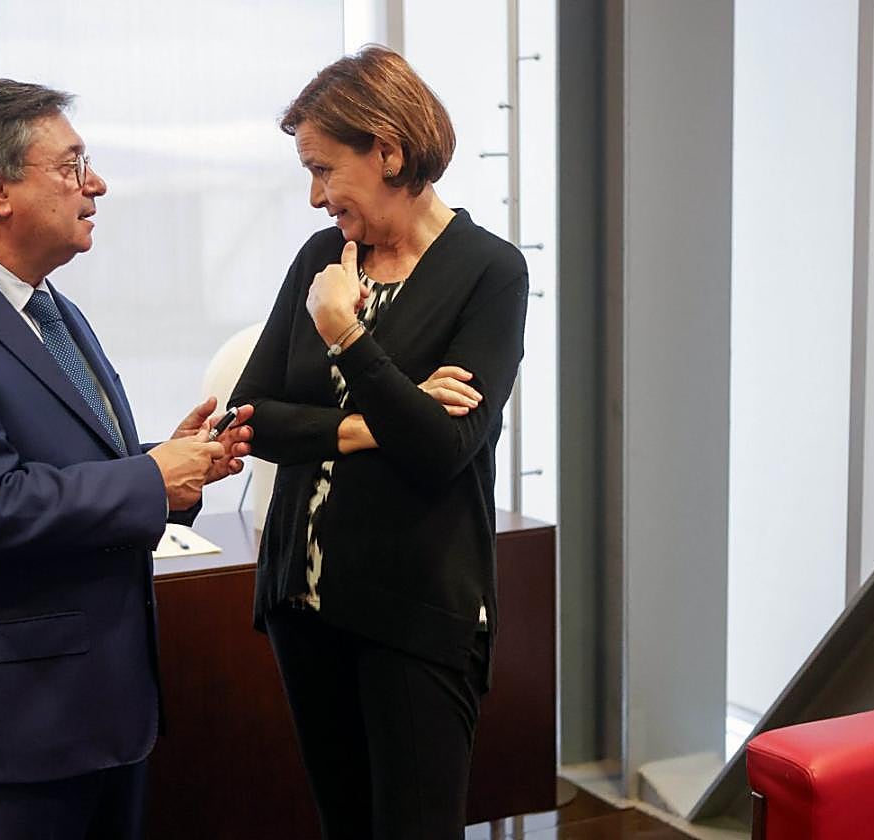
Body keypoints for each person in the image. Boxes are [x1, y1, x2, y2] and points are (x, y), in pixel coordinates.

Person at [0, 78, 251, 840]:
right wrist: (147, 477)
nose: (95, 185)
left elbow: (67, 466)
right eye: (70, 167)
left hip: (107, 712)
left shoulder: (52, 307)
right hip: (14, 729)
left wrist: (178, 467)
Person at [229, 46, 528, 839]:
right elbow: (253, 416)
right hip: (304, 603)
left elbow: (441, 448)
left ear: (389, 150)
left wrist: (346, 335)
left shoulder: (489, 273)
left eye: (325, 169)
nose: (315, 196)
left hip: (418, 614)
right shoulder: (321, 259)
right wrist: (371, 424)